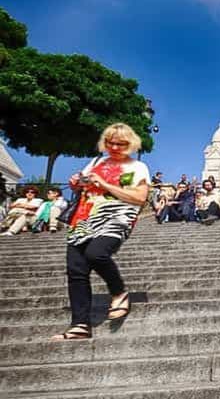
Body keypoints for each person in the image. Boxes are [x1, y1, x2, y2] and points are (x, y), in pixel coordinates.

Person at [52, 123, 149, 341]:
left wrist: (105, 184)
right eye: (109, 142)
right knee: (76, 270)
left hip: (115, 218)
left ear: (130, 144)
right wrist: (76, 183)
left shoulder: (137, 167)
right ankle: (80, 324)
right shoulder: (95, 162)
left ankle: (119, 291)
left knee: (96, 254)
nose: (114, 146)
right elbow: (83, 186)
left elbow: (139, 198)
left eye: (120, 143)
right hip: (84, 217)